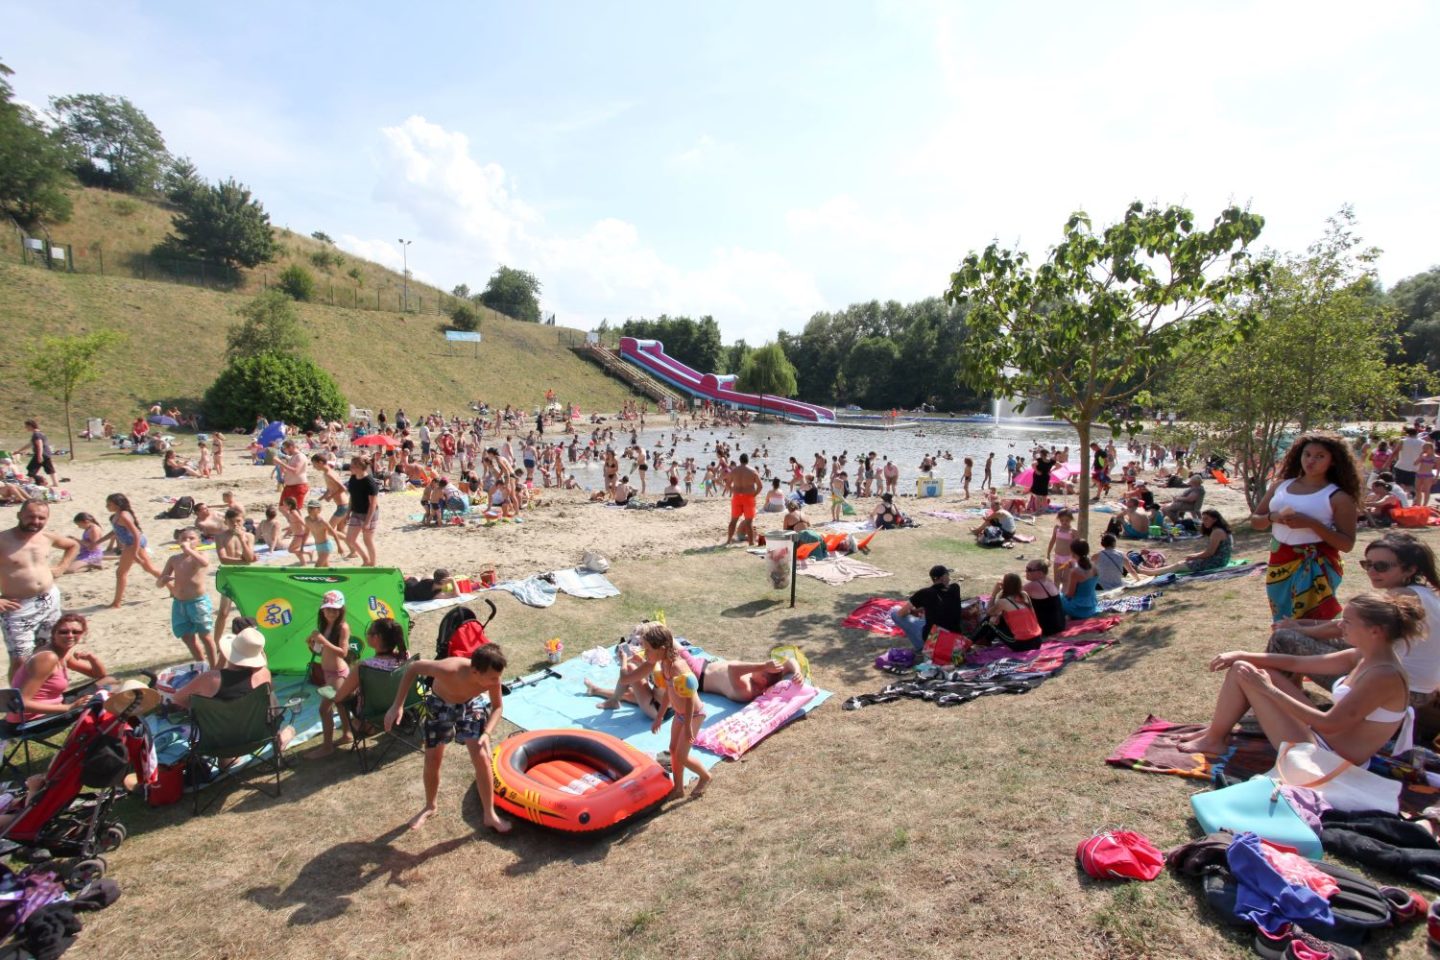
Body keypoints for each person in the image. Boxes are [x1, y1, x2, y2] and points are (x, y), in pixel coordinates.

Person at [1178, 592, 1421, 764]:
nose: (1339, 626)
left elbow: (1328, 723)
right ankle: (1214, 736)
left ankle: (1214, 739)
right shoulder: (1364, 656)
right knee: (1245, 667)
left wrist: (1268, 690)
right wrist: (1241, 654)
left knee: (1247, 674)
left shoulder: (1383, 675)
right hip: (1326, 738)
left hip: (1330, 758)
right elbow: (1295, 662)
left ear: (1375, 631)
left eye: (1347, 622)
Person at [1268, 533, 1440, 740]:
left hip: (1401, 691)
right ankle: (1291, 697)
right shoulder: (1425, 594)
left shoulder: (1400, 597)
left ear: (1410, 569)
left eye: (1381, 566)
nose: (1372, 571)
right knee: (1293, 637)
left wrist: (1298, 629)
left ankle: (1275, 708)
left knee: (1283, 639)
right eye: (1367, 564)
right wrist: (1302, 624)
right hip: (1416, 689)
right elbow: (1346, 626)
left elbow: (1340, 629)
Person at [385, 643, 511, 833]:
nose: (497, 681)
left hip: (470, 705)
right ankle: (430, 806)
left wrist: (486, 733)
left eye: (498, 676)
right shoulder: (449, 669)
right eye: (492, 678)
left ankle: (489, 815)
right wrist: (397, 705)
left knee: (482, 759)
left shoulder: (493, 679)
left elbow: (497, 707)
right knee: (433, 758)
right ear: (475, 671)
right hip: (440, 703)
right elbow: (413, 667)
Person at [1251, 431, 1360, 622]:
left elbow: (1347, 544)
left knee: (1313, 624)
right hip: (1279, 561)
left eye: (1320, 456)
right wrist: (1272, 517)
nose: (1311, 461)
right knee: (1282, 618)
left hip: (1316, 563)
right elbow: (1256, 521)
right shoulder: (1280, 486)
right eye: (1307, 454)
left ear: (1333, 461)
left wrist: (1311, 524)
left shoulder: (1338, 497)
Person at [170, 626, 297, 748]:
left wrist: (204, 709)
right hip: (258, 736)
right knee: (270, 698)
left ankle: (227, 759)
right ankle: (283, 733)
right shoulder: (264, 674)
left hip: (219, 742)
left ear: (228, 652)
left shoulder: (210, 679)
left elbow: (177, 699)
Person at [0, 502, 77, 680]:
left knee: (51, 650)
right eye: (31, 516)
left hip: (49, 600)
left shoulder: (46, 538)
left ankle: (47, 691)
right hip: (17, 607)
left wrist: (62, 567)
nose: (35, 521)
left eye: (41, 518)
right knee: (20, 658)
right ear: (19, 515)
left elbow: (73, 545)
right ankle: (18, 702)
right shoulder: (3, 541)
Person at [639, 623, 711, 800]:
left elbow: (688, 697)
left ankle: (705, 776)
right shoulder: (664, 664)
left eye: (648, 649)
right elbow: (668, 694)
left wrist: (687, 726)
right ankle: (678, 788)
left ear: (662, 648)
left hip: (692, 715)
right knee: (672, 749)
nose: (645, 654)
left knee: (682, 755)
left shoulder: (678, 667)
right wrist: (660, 716)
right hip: (680, 715)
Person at [5, 613, 113, 721]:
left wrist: (92, 658)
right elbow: (21, 702)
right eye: (63, 632)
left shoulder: (63, 653)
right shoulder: (48, 657)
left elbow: (101, 676)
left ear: (83, 634)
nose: (70, 635)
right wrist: (69, 707)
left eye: (76, 632)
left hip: (52, 706)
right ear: (54, 634)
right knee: (104, 696)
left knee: (109, 683)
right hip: (28, 721)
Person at [157, 527, 216, 667]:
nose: (187, 541)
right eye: (183, 538)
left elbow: (204, 563)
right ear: (178, 541)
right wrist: (163, 581)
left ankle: (214, 667)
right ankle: (201, 663)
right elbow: (158, 583)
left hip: (197, 602)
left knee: (205, 635)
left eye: (191, 538)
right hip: (179, 603)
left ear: (199, 541)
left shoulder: (200, 555)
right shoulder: (174, 559)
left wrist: (189, 550)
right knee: (186, 636)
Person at [306, 591, 352, 759]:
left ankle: (327, 747)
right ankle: (347, 734)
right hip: (329, 673)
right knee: (340, 705)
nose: (331, 613)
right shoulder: (325, 626)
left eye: (335, 609)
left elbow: (343, 652)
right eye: (328, 609)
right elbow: (322, 652)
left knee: (324, 709)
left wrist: (323, 641)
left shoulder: (343, 627)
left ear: (341, 610)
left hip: (338, 674)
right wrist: (313, 646)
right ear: (322, 610)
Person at [100, 493, 161, 609]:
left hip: (133, 544)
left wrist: (135, 552)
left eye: (109, 504)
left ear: (117, 505)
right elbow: (115, 532)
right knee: (149, 568)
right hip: (132, 543)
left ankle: (117, 603)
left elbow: (136, 534)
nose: (106, 506)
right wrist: (97, 542)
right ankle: (172, 587)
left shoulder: (123, 516)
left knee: (121, 572)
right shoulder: (117, 516)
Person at [889, 564, 963, 652]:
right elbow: (942, 603)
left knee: (895, 611)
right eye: (948, 575)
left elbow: (901, 613)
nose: (949, 578)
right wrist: (920, 609)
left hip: (935, 639)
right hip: (955, 639)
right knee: (926, 618)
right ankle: (923, 645)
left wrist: (912, 612)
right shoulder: (955, 588)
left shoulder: (924, 593)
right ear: (943, 577)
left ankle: (921, 646)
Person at [1141, 510, 1234, 575]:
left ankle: (1150, 572)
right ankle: (1154, 570)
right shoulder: (1219, 530)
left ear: (1215, 519)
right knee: (1183, 562)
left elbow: (1210, 552)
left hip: (1217, 562)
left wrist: (1195, 556)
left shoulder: (1217, 532)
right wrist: (1194, 555)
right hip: (1220, 560)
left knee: (1179, 565)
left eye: (1206, 519)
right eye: (1203, 519)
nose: (1203, 521)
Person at [976, 573, 1044, 652]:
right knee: (997, 618)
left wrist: (994, 594)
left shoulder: (1003, 602)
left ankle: (968, 642)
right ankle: (986, 640)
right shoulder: (1024, 595)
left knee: (988, 621)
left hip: (1022, 644)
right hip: (1037, 640)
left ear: (1004, 586)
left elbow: (989, 612)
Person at [345, 456, 381, 566]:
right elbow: (352, 496)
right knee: (350, 539)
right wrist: (348, 512)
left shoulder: (369, 482)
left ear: (360, 467)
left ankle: (373, 563)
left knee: (367, 540)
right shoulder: (353, 478)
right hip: (356, 511)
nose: (350, 467)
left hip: (369, 513)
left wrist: (367, 522)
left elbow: (373, 504)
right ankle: (365, 559)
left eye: (352, 466)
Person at [1022, 559, 1067, 635]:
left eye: (1029, 569)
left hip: (1045, 629)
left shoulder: (1031, 586)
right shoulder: (1049, 581)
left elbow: (1011, 597)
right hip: (1060, 625)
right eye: (1026, 569)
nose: (1026, 571)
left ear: (1040, 573)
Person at [726, 453, 762, 546]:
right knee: (749, 521)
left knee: (733, 520)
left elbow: (728, 484)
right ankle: (750, 542)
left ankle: (729, 540)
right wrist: (754, 495)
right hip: (748, 497)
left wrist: (733, 491)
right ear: (748, 460)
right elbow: (760, 486)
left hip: (737, 497)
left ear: (740, 460)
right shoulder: (753, 471)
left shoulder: (734, 471)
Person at [1059, 539, 1099, 620]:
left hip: (1079, 609)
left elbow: (1070, 594)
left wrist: (1062, 595)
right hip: (1092, 606)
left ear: (1073, 553)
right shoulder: (1094, 566)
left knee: (1057, 596)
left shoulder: (1075, 572)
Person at [1046, 509, 1076, 584]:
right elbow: (1052, 540)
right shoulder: (1057, 528)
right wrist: (1048, 553)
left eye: (1067, 520)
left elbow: (1076, 546)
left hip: (1068, 559)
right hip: (1057, 558)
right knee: (1056, 579)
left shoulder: (1073, 531)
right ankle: (1057, 594)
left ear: (1071, 519)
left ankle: (1064, 594)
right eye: (1062, 520)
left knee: (1066, 579)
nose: (1064, 522)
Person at [23, 420, 56, 488]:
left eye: (26, 426)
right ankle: (55, 483)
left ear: (30, 426)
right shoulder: (40, 433)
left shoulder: (36, 434)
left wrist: (40, 455)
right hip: (46, 454)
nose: (26, 428)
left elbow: (40, 445)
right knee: (49, 469)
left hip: (41, 454)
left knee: (31, 468)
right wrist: (18, 450)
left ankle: (32, 482)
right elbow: (30, 444)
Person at [1393, 425, 1425, 495]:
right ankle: (1415, 499)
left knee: (1399, 485)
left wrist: (1386, 464)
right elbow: (1423, 456)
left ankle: (1401, 499)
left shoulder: (1403, 441)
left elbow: (1394, 453)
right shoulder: (1423, 442)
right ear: (1417, 433)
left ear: (1407, 433)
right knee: (1411, 486)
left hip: (1401, 465)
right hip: (1415, 467)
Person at [304, 502, 336, 567]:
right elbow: (306, 533)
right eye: (309, 508)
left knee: (317, 567)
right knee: (325, 567)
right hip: (318, 546)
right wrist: (302, 546)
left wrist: (340, 547)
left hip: (326, 546)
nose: (309, 509)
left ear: (319, 509)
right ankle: (333, 576)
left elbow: (334, 533)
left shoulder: (322, 522)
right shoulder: (307, 519)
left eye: (312, 508)